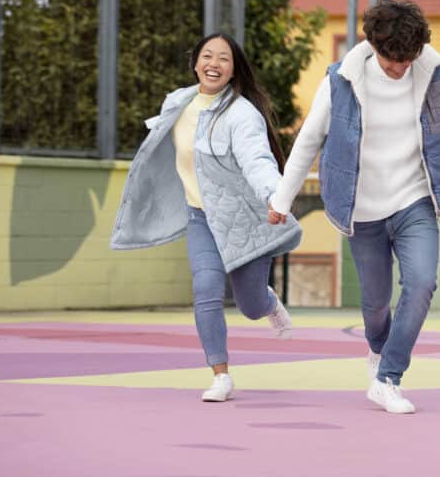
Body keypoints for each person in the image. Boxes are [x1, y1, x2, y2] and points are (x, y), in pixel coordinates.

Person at [268, 0, 440, 414]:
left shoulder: (430, 71)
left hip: (415, 200)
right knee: (375, 307)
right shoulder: (342, 79)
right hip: (363, 209)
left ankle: (389, 376)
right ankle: (378, 353)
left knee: (423, 283)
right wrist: (282, 200)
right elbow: (308, 139)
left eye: (407, 58)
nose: (399, 67)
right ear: (372, 44)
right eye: (391, 58)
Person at [112, 32, 302, 403]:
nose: (214, 64)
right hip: (200, 218)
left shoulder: (241, 113)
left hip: (244, 220)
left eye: (224, 59)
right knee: (205, 289)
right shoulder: (177, 102)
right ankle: (220, 375)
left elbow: (257, 161)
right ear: (195, 62)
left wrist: (275, 197)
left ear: (234, 71)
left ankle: (267, 303)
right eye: (207, 56)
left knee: (248, 306)